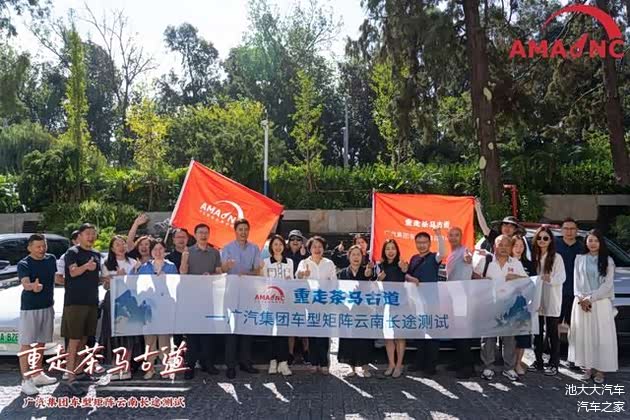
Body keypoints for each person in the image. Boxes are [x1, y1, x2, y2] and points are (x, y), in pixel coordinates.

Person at [474, 235, 528, 382]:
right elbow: (474, 277)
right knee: (488, 338)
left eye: (506, 245)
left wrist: (515, 277)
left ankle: (509, 368)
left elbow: (527, 281)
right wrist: (482, 280)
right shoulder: (486, 261)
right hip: (489, 305)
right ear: (494, 246)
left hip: (509, 306)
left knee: (509, 339)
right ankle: (488, 367)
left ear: (510, 247)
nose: (503, 247)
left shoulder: (516, 263)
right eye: (500, 244)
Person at [569, 229, 617, 384]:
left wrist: (591, 298)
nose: (593, 243)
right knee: (585, 337)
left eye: (596, 240)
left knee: (601, 337)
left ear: (601, 243)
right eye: (590, 240)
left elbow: (607, 285)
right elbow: (576, 281)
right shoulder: (579, 259)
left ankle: (601, 370)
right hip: (581, 303)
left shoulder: (608, 260)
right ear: (586, 242)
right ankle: (588, 368)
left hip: (600, 303)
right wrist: (580, 297)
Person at [61, 223, 102, 396]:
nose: (91, 237)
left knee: (85, 339)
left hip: (92, 301)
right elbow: (72, 273)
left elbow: (96, 278)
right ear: (80, 235)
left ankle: (79, 371)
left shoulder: (96, 254)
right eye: (87, 234)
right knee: (74, 340)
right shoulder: (73, 252)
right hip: (75, 302)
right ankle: (69, 378)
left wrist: (109, 279)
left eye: (93, 233)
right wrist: (85, 267)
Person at [221, 218, 263, 379]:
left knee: (247, 329)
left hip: (248, 293)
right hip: (231, 293)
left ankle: (246, 362)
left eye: (246, 229)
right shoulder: (227, 248)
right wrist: (227, 266)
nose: (243, 232)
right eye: (240, 229)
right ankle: (230, 365)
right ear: (235, 231)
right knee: (231, 330)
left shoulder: (254, 248)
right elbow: (221, 270)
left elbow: (257, 271)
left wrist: (247, 274)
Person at [17, 234, 59, 396]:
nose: (42, 249)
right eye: (38, 247)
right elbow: (25, 283)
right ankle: (26, 380)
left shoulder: (51, 259)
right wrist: (32, 287)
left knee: (41, 342)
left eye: (44, 246)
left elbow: (56, 278)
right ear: (30, 248)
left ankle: (37, 373)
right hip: (30, 308)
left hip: (48, 306)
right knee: (27, 344)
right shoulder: (24, 264)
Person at [180, 223, 222, 380]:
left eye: (206, 233)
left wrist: (211, 276)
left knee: (208, 334)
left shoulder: (214, 253)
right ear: (195, 235)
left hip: (209, 298)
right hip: (192, 299)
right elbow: (182, 273)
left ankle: (207, 363)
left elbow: (218, 273)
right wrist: (184, 259)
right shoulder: (188, 252)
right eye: (200, 233)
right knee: (192, 334)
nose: (203, 235)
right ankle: (190, 365)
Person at [406, 228, 446, 375]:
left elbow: (443, 253)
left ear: (429, 243)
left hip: (432, 302)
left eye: (424, 242)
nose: (421, 245)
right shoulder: (414, 258)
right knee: (419, 334)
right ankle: (419, 362)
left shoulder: (434, 257)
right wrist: (411, 278)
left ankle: (431, 365)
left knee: (432, 334)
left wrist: (439, 236)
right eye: (419, 242)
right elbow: (407, 274)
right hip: (416, 302)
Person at [137, 239, 178, 379]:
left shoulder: (171, 266)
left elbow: (176, 286)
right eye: (155, 249)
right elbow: (137, 286)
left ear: (165, 251)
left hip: (165, 307)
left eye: (161, 249)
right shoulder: (144, 267)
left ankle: (166, 367)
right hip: (148, 308)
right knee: (149, 340)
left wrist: (167, 280)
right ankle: (149, 368)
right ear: (151, 251)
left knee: (164, 339)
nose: (158, 252)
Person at [296, 236, 337, 374]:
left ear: (323, 248)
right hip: (310, 303)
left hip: (325, 302)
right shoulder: (304, 262)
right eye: (314, 246)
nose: (317, 249)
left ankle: (324, 363)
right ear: (310, 249)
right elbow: (297, 276)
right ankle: (313, 362)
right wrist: (303, 273)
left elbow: (334, 282)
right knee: (312, 333)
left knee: (324, 334)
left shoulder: (329, 263)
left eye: (320, 246)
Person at [99, 235, 137, 380]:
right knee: (113, 333)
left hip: (128, 299)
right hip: (112, 298)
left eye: (123, 244)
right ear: (112, 248)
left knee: (128, 333)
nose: (121, 247)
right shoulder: (106, 263)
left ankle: (126, 366)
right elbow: (105, 285)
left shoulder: (133, 262)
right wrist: (116, 277)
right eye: (117, 245)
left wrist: (126, 277)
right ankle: (115, 367)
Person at [530, 226, 565, 377]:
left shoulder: (557, 258)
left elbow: (562, 278)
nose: (542, 241)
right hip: (537, 298)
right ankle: (538, 361)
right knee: (537, 332)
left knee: (552, 333)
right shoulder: (533, 256)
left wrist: (549, 278)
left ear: (550, 240)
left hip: (552, 298)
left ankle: (554, 363)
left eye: (545, 238)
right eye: (539, 238)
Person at [337, 245, 374, 378]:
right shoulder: (342, 273)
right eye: (353, 254)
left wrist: (369, 275)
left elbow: (373, 287)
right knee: (348, 338)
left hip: (364, 310)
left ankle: (365, 367)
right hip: (348, 310)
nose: (356, 257)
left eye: (358, 254)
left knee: (364, 339)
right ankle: (351, 366)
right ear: (349, 257)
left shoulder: (367, 271)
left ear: (362, 257)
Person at [444, 227, 476, 379]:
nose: (453, 237)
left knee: (462, 332)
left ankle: (468, 367)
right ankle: (459, 361)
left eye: (456, 235)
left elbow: (468, 258)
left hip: (463, 297)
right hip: (453, 296)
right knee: (456, 332)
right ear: (448, 237)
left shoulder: (464, 251)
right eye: (451, 235)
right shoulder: (451, 254)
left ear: (461, 237)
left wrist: (468, 258)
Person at [374, 239, 408, 378]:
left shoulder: (402, 264)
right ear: (384, 251)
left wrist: (404, 269)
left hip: (400, 304)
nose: (390, 251)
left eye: (393, 248)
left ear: (397, 250)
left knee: (399, 336)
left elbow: (406, 275)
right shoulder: (380, 266)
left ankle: (399, 365)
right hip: (385, 304)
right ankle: (391, 364)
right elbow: (374, 286)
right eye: (387, 248)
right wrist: (378, 279)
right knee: (388, 336)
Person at [555, 217, 585, 370]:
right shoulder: (554, 245)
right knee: (554, 326)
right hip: (557, 291)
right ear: (561, 230)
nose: (569, 231)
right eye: (566, 228)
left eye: (572, 229)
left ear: (577, 231)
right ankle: (553, 357)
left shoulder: (583, 247)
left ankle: (573, 359)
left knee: (575, 327)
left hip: (576, 293)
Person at [262, 235, 294, 376]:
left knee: (283, 332)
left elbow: (293, 280)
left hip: (285, 301)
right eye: (275, 244)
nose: (278, 247)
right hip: (270, 301)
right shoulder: (265, 262)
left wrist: (289, 280)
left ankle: (283, 362)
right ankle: (272, 361)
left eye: (280, 244)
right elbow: (263, 282)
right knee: (271, 333)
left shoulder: (290, 262)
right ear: (271, 247)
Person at [511, 235, 536, 376]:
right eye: (516, 245)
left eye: (521, 246)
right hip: (508, 305)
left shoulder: (529, 264)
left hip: (525, 305)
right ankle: (509, 364)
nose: (519, 249)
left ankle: (518, 363)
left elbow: (534, 283)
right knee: (510, 338)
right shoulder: (506, 262)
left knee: (523, 337)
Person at [283, 229, 309, 364]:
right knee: (290, 323)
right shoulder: (283, 253)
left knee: (304, 322)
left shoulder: (306, 255)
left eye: (298, 240)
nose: (295, 242)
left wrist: (304, 256)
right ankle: (290, 353)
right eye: (292, 239)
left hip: (302, 293)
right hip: (286, 293)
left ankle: (306, 351)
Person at [166, 228, 189, 348]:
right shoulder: (168, 258)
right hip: (175, 297)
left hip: (192, 296)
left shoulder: (194, 254)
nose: (181, 240)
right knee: (177, 330)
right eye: (178, 237)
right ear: (174, 240)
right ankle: (178, 354)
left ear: (187, 239)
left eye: (183, 237)